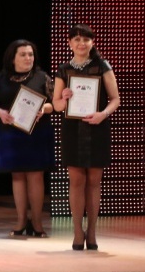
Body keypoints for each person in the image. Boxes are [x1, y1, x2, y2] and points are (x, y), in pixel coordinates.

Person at [51, 24, 120, 251]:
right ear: (69, 43)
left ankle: (92, 231)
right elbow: (57, 105)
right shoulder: (63, 69)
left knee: (94, 182)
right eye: (77, 39)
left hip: (97, 128)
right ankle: (77, 231)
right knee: (76, 181)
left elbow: (115, 99)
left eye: (86, 39)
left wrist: (103, 114)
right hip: (72, 130)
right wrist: (64, 97)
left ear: (92, 42)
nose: (81, 43)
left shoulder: (102, 66)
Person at [0, 39, 55, 238]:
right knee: (17, 176)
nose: (28, 58)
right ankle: (21, 221)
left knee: (36, 176)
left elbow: (56, 104)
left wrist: (44, 108)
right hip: (10, 134)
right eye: (23, 54)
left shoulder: (42, 77)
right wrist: (0, 113)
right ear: (12, 58)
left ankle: (37, 223)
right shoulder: (1, 78)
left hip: (37, 133)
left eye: (31, 54)